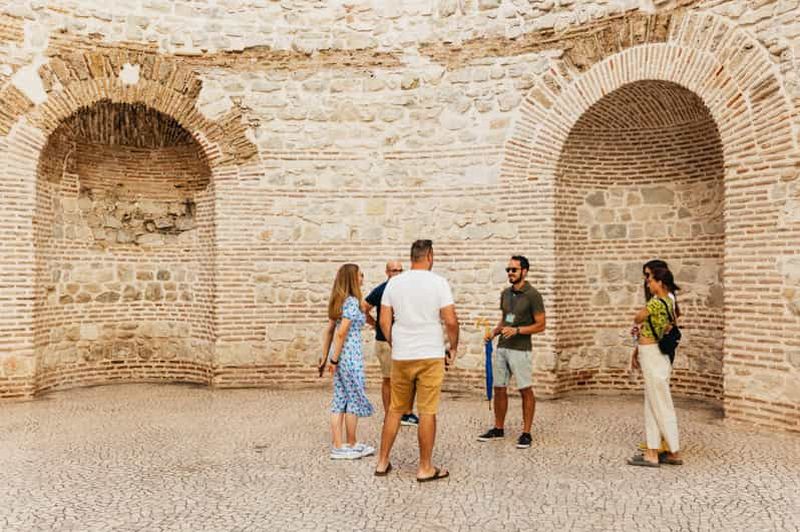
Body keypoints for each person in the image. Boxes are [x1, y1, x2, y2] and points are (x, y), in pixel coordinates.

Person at [373, 240, 459, 481]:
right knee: (427, 411)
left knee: (395, 409)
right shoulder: (438, 282)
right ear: (429, 255)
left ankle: (382, 462)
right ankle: (425, 468)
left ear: (412, 257)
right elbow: (451, 321)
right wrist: (453, 347)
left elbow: (383, 321)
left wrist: (395, 342)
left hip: (402, 355)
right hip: (430, 354)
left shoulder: (394, 283)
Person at [478, 255, 546, 449]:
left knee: (525, 389)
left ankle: (526, 433)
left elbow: (541, 325)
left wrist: (517, 331)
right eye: (508, 270)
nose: (510, 273)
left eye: (514, 270)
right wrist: (494, 332)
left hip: (521, 349)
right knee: (499, 388)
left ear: (524, 271)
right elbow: (506, 319)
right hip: (502, 347)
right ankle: (498, 428)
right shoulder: (506, 293)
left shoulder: (533, 295)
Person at [627, 263, 683, 467]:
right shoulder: (669, 301)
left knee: (658, 402)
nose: (647, 283)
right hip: (656, 354)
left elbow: (637, 318)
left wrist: (642, 318)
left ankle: (669, 451)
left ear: (660, 282)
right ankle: (654, 451)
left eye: (650, 279)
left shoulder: (657, 302)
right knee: (654, 402)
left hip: (652, 354)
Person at [319, 263, 375, 460]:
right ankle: (350, 444)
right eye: (360, 275)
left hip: (341, 357)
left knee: (340, 398)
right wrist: (333, 360)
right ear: (352, 278)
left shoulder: (339, 301)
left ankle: (340, 446)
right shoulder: (351, 302)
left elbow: (329, 330)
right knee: (353, 398)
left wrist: (326, 357)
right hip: (349, 357)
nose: (362, 278)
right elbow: (341, 333)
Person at [364, 261, 420, 426]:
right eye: (394, 270)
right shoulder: (381, 290)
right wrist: (376, 325)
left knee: (411, 378)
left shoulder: (408, 290)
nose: (397, 273)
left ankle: (407, 414)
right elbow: (363, 308)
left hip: (406, 341)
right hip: (385, 342)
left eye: (400, 270)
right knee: (389, 379)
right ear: (387, 272)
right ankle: (389, 416)